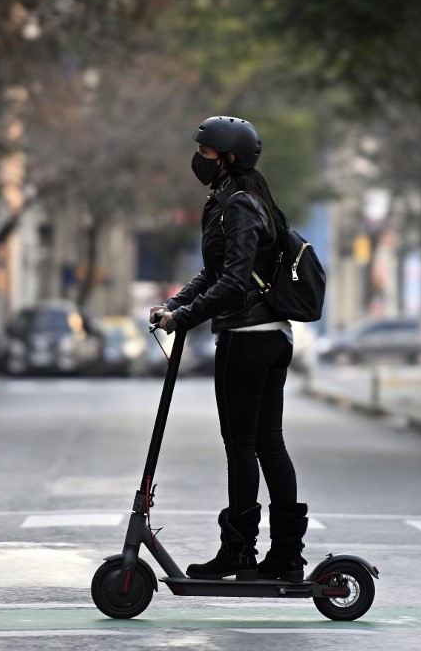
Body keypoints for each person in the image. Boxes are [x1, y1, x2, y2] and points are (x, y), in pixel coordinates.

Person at [150, 116, 308, 582]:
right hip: (272, 337)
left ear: (229, 159)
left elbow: (235, 284)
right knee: (267, 444)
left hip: (248, 339)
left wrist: (185, 319)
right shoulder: (237, 202)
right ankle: (285, 557)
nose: (199, 160)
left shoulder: (238, 207)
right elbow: (213, 273)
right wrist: (175, 304)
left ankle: (239, 553)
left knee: (241, 447)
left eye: (207, 153)